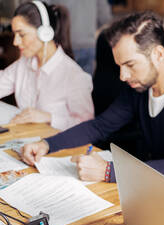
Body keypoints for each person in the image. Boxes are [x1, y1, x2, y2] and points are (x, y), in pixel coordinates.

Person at [21, 11, 164, 193]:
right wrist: (47, 144)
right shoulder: (139, 87)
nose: (122, 75)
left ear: (158, 54)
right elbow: (100, 126)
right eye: (120, 66)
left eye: (130, 64)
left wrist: (109, 171)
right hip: (161, 189)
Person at [0, 1, 94, 131]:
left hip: (59, 146)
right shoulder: (23, 64)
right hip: (27, 139)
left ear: (45, 33)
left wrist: (50, 118)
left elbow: (87, 126)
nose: (15, 42)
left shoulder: (74, 75)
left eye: (22, 34)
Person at [45, 0, 113, 75]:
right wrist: (89, 28)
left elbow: (42, 11)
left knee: (63, 83)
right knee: (85, 84)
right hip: (87, 44)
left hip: (64, 44)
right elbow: (105, 17)